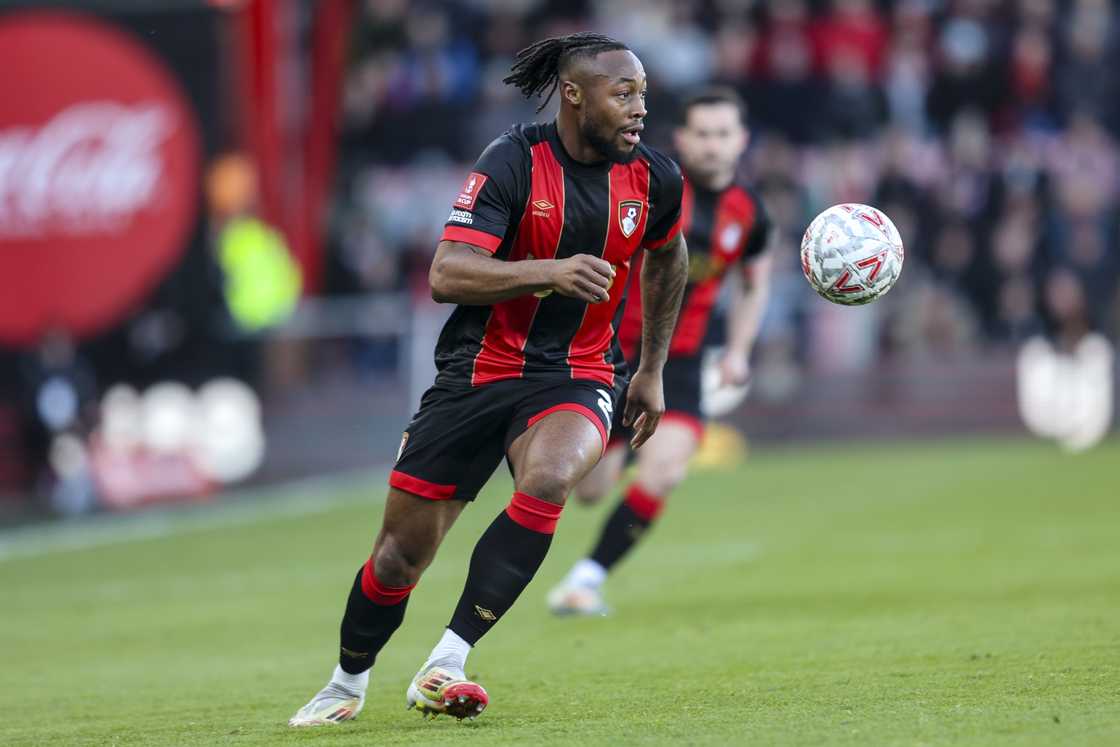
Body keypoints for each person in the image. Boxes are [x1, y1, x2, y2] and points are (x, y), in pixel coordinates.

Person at [289, 32, 689, 727]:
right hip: (477, 372)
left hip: (578, 373)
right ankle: (347, 682)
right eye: (623, 93)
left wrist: (650, 368)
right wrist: (550, 270)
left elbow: (669, 253)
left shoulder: (654, 178)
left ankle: (446, 659)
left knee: (551, 475)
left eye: (643, 94)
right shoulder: (513, 161)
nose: (638, 108)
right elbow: (447, 273)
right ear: (574, 94)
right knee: (398, 557)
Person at [548, 87, 773, 616]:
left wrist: (739, 351)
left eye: (723, 134)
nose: (713, 146)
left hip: (684, 362)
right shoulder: (648, 186)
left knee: (666, 472)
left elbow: (754, 284)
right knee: (587, 491)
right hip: (609, 356)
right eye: (703, 134)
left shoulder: (750, 213)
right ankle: (617, 448)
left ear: (740, 141)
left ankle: (586, 579)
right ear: (682, 138)